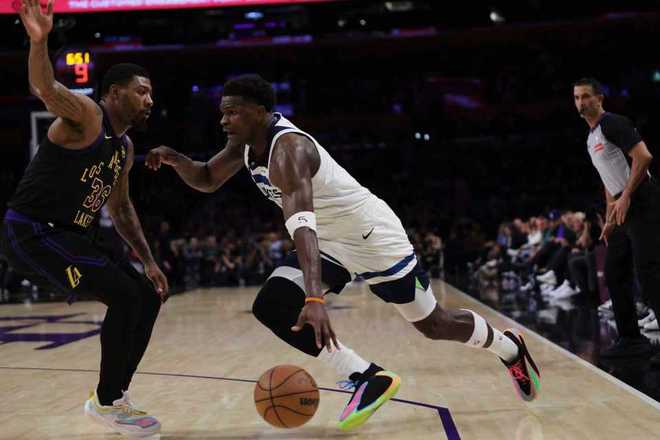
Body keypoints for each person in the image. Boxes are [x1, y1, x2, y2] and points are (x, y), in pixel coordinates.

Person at [146, 74, 541, 430]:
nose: (223, 120)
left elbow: (302, 226)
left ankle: (509, 348)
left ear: (261, 112)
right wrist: (175, 159)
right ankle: (365, 377)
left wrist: (315, 298)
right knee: (272, 305)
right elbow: (207, 178)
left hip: (370, 236)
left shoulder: (290, 149)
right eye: (223, 112)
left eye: (232, 112)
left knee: (434, 325)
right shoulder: (244, 145)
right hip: (329, 241)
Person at [0, 1, 167, 436]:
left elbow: (121, 209)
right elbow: (46, 88)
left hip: (72, 235)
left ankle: (115, 396)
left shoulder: (123, 148)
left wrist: (149, 261)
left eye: (151, 94)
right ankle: (108, 402)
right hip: (31, 232)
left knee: (146, 295)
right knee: (125, 297)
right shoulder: (87, 116)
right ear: (113, 93)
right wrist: (40, 41)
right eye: (141, 91)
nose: (150, 100)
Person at [574, 77, 660, 364]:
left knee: (649, 274)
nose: (581, 102)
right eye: (577, 97)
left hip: (642, 200)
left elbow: (643, 157)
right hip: (623, 207)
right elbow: (607, 179)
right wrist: (610, 215)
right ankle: (632, 339)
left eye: (586, 96)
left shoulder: (613, 123)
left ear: (599, 99)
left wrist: (626, 197)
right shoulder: (591, 137)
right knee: (614, 271)